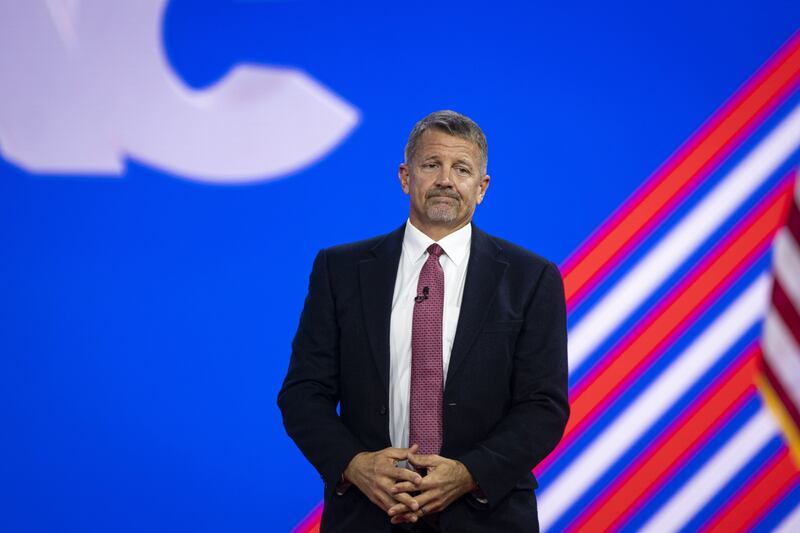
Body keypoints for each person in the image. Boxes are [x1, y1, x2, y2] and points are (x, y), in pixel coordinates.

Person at [278, 110, 569, 532]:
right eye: (432, 164)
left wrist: (468, 473)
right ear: (405, 177)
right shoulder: (339, 270)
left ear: (482, 188)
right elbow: (304, 393)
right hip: (367, 516)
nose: (446, 179)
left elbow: (543, 406)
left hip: (487, 518)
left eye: (462, 169)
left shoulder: (532, 278)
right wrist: (354, 465)